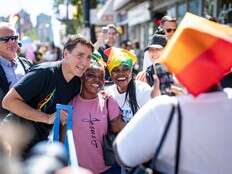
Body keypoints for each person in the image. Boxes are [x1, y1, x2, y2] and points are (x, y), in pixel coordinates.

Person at [2, 35, 94, 150]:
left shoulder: (76, 84)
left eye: (88, 57)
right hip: (13, 140)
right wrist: (47, 118)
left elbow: (62, 117)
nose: (84, 62)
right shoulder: (44, 73)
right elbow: (8, 102)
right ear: (66, 54)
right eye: (80, 55)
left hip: (39, 143)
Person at [70, 52, 125, 174]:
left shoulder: (108, 101)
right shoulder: (70, 103)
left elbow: (119, 128)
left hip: (109, 169)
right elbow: (64, 138)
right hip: (79, 170)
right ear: (83, 77)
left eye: (101, 77)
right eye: (91, 75)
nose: (97, 80)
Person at [105, 47, 160, 124]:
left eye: (125, 69)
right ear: (110, 73)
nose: (121, 73)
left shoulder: (143, 90)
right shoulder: (108, 93)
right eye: (116, 70)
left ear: (131, 71)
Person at [0, 22, 32, 119]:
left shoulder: (27, 64)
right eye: (5, 39)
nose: (11, 42)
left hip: (29, 124)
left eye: (14, 38)